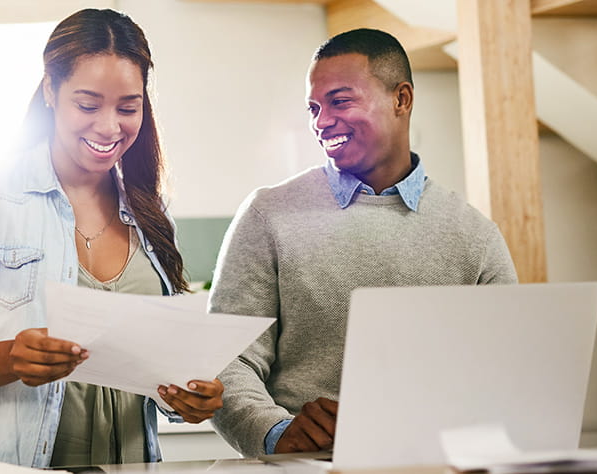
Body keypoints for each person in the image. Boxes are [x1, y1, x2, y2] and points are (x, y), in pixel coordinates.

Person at [0, 8, 223, 468]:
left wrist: (185, 396)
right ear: (51, 90)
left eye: (128, 107)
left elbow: (153, 367)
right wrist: (10, 357)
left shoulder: (150, 208)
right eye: (88, 105)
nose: (109, 127)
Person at [208, 28, 518, 458]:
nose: (321, 121)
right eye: (313, 108)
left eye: (340, 101)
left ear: (401, 99)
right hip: (302, 466)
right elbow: (227, 358)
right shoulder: (268, 215)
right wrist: (277, 433)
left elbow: (508, 373)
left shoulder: (476, 236)